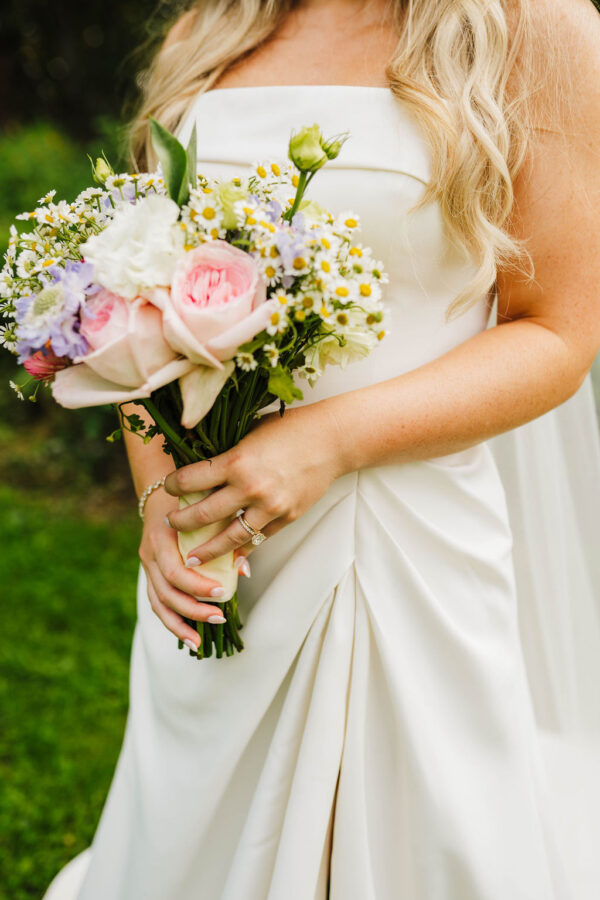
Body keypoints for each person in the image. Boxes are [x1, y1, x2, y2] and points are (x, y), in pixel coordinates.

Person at [43, 0, 600, 897]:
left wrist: (330, 441)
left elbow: (559, 334)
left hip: (401, 549)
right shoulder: (210, 33)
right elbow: (139, 299)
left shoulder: (536, 29)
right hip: (218, 549)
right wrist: (158, 496)